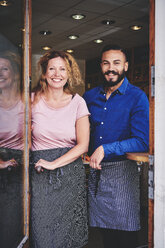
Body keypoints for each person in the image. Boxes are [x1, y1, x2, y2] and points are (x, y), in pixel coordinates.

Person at [83, 44, 149, 248]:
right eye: (106, 63)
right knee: (104, 235)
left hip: (123, 173)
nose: (111, 68)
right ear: (101, 66)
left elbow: (142, 141)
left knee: (126, 236)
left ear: (126, 66)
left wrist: (106, 148)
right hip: (95, 172)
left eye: (116, 63)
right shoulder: (89, 97)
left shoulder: (137, 96)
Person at [30, 50, 90, 248]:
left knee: (69, 236)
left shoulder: (78, 102)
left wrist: (54, 163)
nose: (57, 74)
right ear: (45, 73)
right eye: (52, 69)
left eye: (62, 69)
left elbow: (83, 145)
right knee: (42, 234)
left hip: (70, 175)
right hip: (39, 176)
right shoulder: (31, 100)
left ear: (69, 73)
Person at [0, 51, 24, 247]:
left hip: (18, 175)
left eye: (4, 68)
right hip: (2, 168)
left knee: (10, 231)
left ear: (15, 73)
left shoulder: (30, 102)